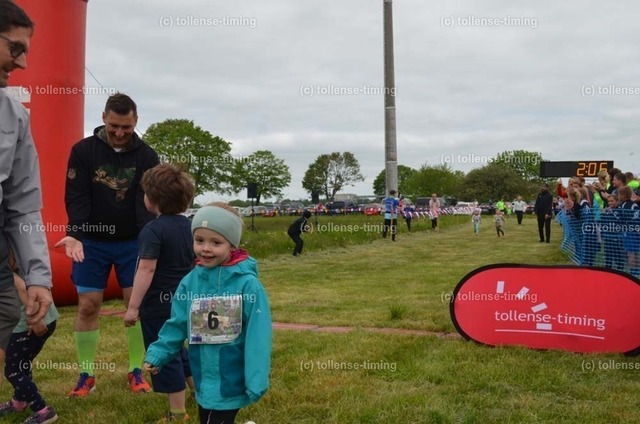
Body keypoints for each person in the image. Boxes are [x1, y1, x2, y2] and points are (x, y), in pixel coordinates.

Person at [54, 93, 160, 397]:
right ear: (103, 118)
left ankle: (136, 370)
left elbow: (145, 203)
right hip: (92, 241)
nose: (120, 132)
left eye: (126, 127)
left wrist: (149, 240)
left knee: (134, 305)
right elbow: (77, 196)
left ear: (136, 121)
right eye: (114, 126)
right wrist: (75, 233)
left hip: (132, 242)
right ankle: (86, 374)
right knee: (88, 304)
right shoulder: (83, 151)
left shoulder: (147, 156)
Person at [144, 204, 272, 424]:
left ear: (232, 245)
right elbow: (177, 323)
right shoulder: (190, 282)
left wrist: (256, 378)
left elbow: (258, 335)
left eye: (216, 242)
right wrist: (158, 353)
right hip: (203, 377)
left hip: (231, 378)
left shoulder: (248, 285)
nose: (205, 248)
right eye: (199, 240)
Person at [0, 0, 53, 383]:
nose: (22, 63)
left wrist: (38, 278)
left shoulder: (14, 115)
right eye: (14, 48)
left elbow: (22, 206)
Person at [123, 164, 196, 423]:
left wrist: (133, 307)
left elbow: (146, 268)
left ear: (152, 198)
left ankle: (177, 412)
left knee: (165, 353)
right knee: (180, 348)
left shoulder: (152, 230)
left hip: (159, 305)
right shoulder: (191, 227)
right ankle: (198, 393)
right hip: (187, 301)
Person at [0, 252, 58, 424]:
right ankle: (19, 401)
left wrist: (35, 318)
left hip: (31, 323)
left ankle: (43, 411)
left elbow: (22, 288)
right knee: (21, 361)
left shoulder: (7, 270)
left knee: (13, 370)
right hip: (38, 320)